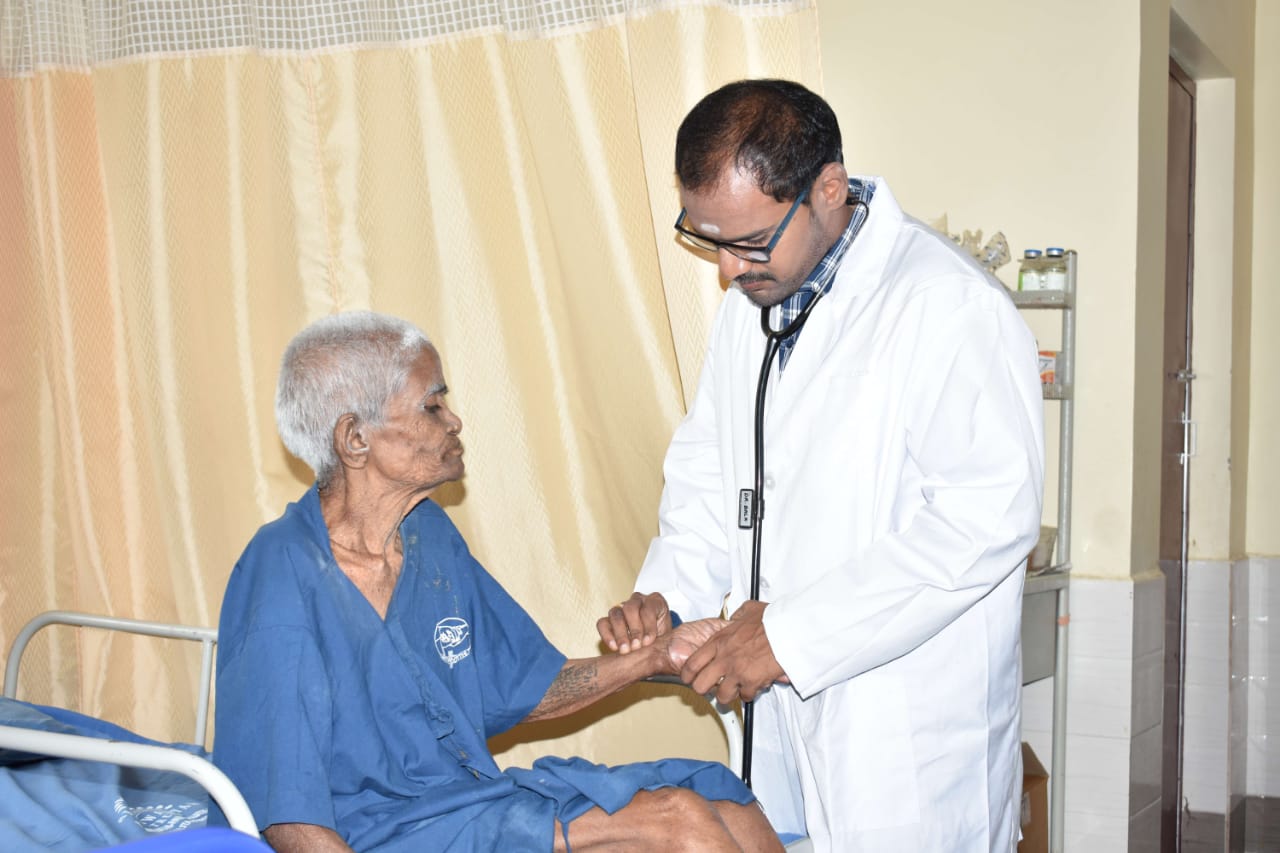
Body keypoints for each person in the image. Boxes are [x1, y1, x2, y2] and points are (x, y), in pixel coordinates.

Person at [596, 79, 1046, 852]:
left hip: (902, 747)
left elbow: (986, 518)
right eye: (709, 241)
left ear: (828, 189)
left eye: (749, 241)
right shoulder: (756, 310)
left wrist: (793, 636)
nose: (729, 273)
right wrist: (668, 594)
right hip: (781, 733)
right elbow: (713, 468)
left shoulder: (946, 306)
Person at [213, 311, 783, 853]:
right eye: (432, 405)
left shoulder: (426, 536)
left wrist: (655, 656)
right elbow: (288, 819)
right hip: (379, 833)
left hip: (467, 805)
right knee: (676, 821)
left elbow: (525, 686)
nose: (454, 420)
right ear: (354, 439)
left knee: (719, 795)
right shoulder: (280, 577)